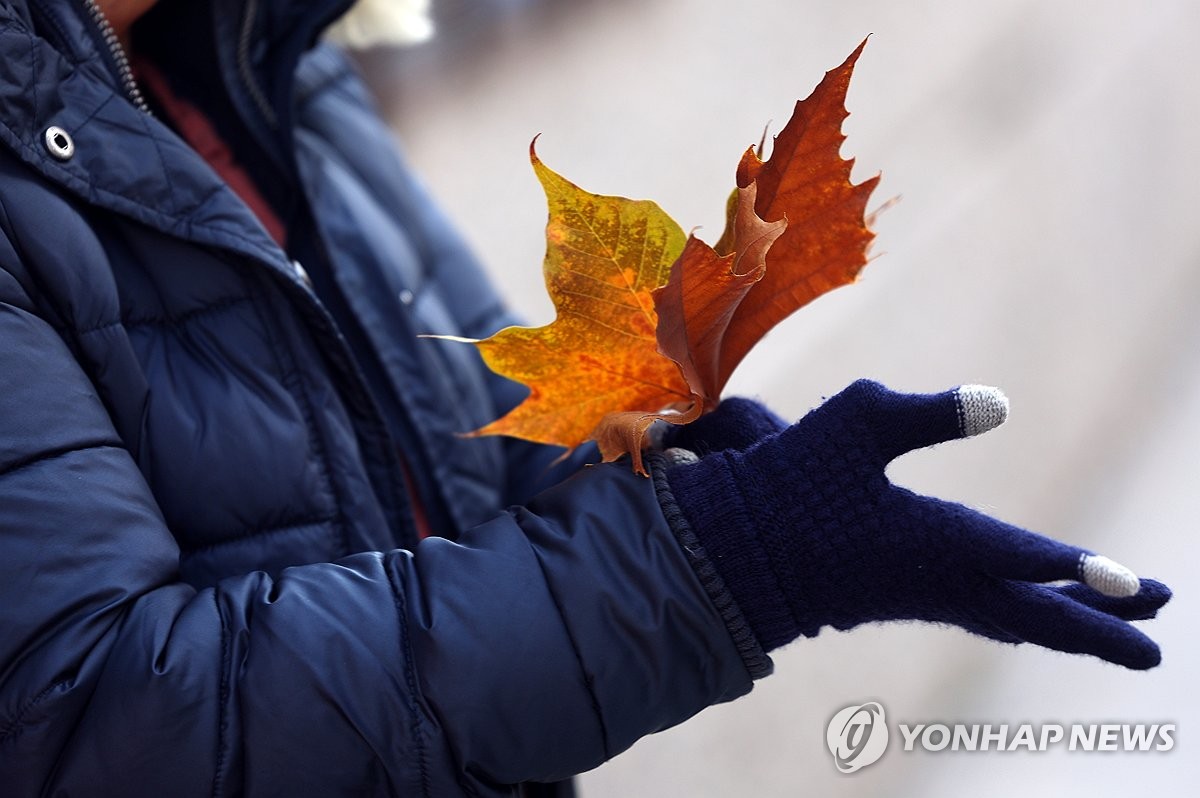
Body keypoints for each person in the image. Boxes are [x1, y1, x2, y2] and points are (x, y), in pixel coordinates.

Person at [0, 1, 1170, 796]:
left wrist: (690, 479)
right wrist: (708, 566)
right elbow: (93, 716)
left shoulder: (265, 62)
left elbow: (457, 455)